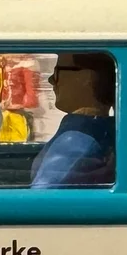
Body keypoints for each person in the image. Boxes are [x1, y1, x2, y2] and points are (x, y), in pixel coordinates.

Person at [30, 55, 116, 189]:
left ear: (86, 78)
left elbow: (40, 197)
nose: (51, 80)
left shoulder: (74, 140)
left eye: (58, 72)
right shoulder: (102, 130)